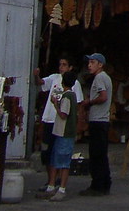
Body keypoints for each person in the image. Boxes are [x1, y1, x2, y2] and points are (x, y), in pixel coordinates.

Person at [40, 70, 78, 202]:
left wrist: (55, 105)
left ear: (62, 82)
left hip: (64, 132)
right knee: (57, 159)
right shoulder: (71, 95)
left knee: (63, 161)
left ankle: (61, 188)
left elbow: (63, 115)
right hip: (62, 132)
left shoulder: (67, 97)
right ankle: (52, 187)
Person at [80, 52, 112, 197]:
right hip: (103, 121)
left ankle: (97, 185)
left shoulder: (99, 78)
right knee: (101, 154)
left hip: (98, 121)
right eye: (89, 62)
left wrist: (89, 102)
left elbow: (103, 97)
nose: (89, 65)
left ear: (100, 64)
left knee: (96, 155)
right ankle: (105, 183)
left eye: (92, 62)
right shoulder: (105, 78)